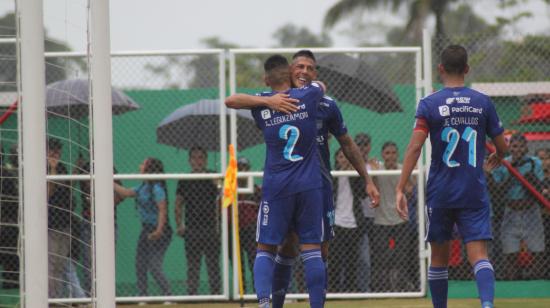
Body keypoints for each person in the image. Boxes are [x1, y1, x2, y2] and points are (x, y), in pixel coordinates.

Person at [226, 50, 379, 305]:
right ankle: (276, 303)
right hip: (303, 184)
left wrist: (368, 179)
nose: (304, 71)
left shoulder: (327, 105)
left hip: (316, 184)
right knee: (291, 247)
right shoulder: (297, 97)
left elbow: (347, 143)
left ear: (315, 72)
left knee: (320, 249)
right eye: (299, 67)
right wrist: (271, 101)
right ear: (290, 71)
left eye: (310, 68)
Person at [395, 45, 508, 308]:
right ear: (467, 69)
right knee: (479, 255)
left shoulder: (429, 103)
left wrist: (400, 187)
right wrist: (498, 156)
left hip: (441, 191)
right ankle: (487, 305)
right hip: (473, 189)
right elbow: (502, 147)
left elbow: (414, 147)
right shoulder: (483, 102)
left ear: (440, 69)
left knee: (439, 258)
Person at [226, 54, 326, 308]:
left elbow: (231, 100)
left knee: (266, 248)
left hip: (276, 186)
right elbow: (320, 86)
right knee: (312, 249)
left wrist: (269, 100)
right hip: (309, 185)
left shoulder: (262, 105)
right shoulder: (309, 96)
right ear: (290, 73)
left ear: (266, 78)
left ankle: (264, 304)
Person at [489, 133, 545, 280]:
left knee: (537, 249)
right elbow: (497, 191)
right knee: (510, 250)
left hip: (531, 210)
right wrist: (511, 174)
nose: (518, 149)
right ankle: (513, 279)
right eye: (514, 146)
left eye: (521, 146)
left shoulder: (534, 163)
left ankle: (536, 279)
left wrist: (529, 180)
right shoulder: (503, 163)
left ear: (526, 148)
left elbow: (539, 189)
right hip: (510, 210)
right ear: (509, 148)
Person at [114, 157, 172, 297]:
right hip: (146, 228)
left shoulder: (157, 188)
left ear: (149, 169)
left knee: (154, 265)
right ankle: (142, 294)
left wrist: (159, 230)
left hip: (159, 229)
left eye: (143, 164)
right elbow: (127, 193)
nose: (140, 166)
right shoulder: (143, 186)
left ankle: (168, 293)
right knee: (140, 262)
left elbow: (162, 209)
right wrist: (110, 181)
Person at [174, 146, 221, 295]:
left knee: (213, 263)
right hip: (192, 228)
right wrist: (179, 224)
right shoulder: (185, 180)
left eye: (201, 157)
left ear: (206, 160)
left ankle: (216, 293)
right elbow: (178, 203)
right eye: (194, 158)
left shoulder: (213, 177)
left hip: (211, 227)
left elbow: (226, 195)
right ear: (189, 161)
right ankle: (192, 294)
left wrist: (218, 184)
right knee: (193, 264)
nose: (198, 161)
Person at [371, 141, 415, 291]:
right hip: (381, 220)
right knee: (382, 258)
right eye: (387, 153)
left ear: (398, 155)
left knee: (402, 257)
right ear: (383, 155)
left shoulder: (403, 169)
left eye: (393, 153)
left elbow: (409, 190)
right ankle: (382, 289)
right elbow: (374, 192)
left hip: (400, 219)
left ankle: (401, 287)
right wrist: (375, 173)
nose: (390, 156)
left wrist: (412, 174)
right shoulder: (379, 169)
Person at [328, 148, 366, 292]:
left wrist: (353, 174)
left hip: (353, 223)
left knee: (352, 260)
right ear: (336, 159)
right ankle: (333, 288)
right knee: (335, 259)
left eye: (346, 157)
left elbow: (362, 194)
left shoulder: (354, 175)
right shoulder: (332, 175)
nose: (343, 159)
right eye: (340, 157)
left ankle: (351, 289)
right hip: (337, 222)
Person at [47, 138, 75, 298]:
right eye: (52, 150)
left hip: (65, 222)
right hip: (51, 223)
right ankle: (48, 297)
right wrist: (52, 169)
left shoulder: (62, 168)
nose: (56, 153)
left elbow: (67, 189)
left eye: (58, 150)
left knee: (59, 264)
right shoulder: (44, 167)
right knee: (50, 263)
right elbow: (49, 192)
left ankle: (55, 296)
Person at [0, 144, 19, 289]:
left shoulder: (7, 174)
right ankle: (10, 280)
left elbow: (13, 200)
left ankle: (11, 281)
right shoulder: (7, 173)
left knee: (10, 257)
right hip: (8, 223)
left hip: (8, 223)